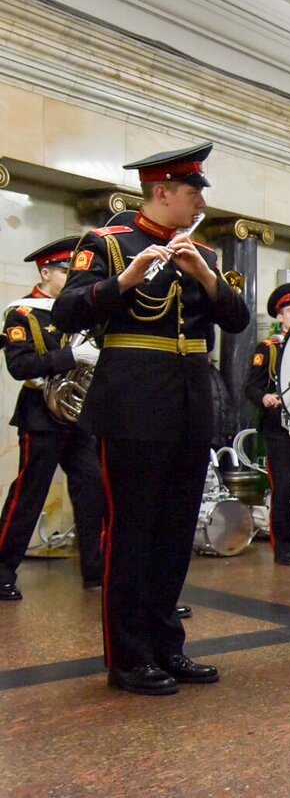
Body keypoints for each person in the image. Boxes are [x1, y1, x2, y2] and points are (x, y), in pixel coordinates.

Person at [53, 142, 250, 694]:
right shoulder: (110, 245)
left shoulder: (205, 254)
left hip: (189, 407)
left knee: (172, 536)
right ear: (161, 192)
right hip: (132, 407)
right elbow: (67, 312)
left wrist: (208, 278)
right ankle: (127, 656)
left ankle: (167, 646)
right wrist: (125, 280)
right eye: (192, 193)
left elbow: (234, 321)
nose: (198, 204)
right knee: (132, 533)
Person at [0, 237, 103, 600]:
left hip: (78, 419)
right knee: (28, 496)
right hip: (40, 416)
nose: (74, 277)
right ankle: (2, 573)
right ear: (46, 272)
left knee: (94, 491)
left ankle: (96, 571)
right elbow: (20, 366)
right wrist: (72, 356)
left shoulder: (79, 311)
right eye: (66, 271)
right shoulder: (23, 313)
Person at [244, 283, 290, 566]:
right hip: (279, 429)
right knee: (284, 486)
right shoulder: (269, 348)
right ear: (280, 317)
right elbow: (251, 387)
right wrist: (265, 397)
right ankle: (283, 545)